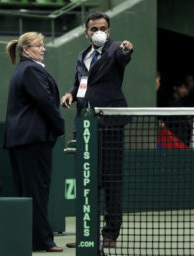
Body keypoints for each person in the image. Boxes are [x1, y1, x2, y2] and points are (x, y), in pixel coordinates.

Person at [60, 12, 133, 249]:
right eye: (94, 28)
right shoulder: (83, 55)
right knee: (88, 180)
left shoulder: (115, 51)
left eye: (103, 28)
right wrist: (71, 93)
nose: (99, 31)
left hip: (110, 124)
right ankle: (86, 233)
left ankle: (110, 233)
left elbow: (124, 56)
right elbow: (80, 82)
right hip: (87, 126)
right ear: (87, 32)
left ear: (109, 31)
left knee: (112, 180)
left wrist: (126, 49)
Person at [4, 32, 64, 252]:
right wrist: (59, 126)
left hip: (23, 140)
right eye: (39, 45)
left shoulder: (25, 69)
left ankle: (29, 238)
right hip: (32, 139)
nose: (43, 48)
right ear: (26, 50)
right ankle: (42, 240)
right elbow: (45, 101)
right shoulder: (30, 69)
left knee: (27, 192)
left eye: (43, 45)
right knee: (36, 191)